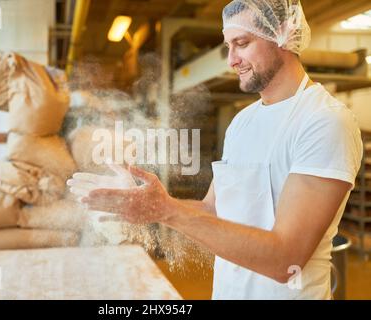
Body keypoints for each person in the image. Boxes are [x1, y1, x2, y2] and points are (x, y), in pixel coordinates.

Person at [68, 0, 363, 299]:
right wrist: (146, 203)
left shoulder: (324, 121)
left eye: (242, 43)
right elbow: (214, 210)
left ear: (284, 35)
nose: (231, 60)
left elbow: (285, 260)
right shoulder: (242, 123)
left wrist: (166, 210)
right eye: (228, 46)